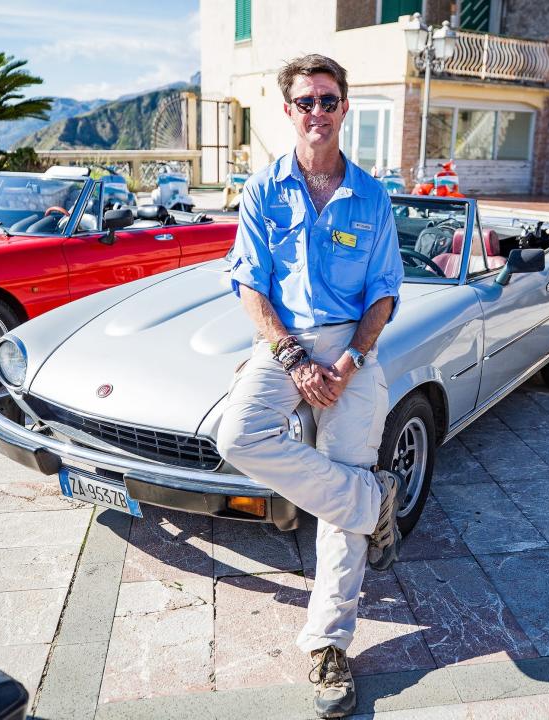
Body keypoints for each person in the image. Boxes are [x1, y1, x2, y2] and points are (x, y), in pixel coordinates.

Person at [216, 54, 405, 719]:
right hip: (286, 343)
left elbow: (384, 292)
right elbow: (250, 286)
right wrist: (296, 360)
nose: (317, 112)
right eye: (305, 102)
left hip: (355, 345)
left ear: (345, 108)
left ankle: (328, 647)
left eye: (329, 100)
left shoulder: (371, 195)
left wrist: (351, 359)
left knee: (336, 487)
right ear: (288, 111)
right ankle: (371, 499)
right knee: (236, 435)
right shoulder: (264, 189)